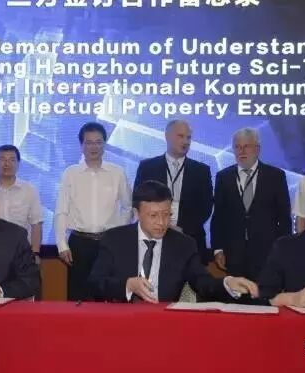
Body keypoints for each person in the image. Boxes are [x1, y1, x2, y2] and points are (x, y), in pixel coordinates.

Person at [89, 180, 258, 303]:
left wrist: (227, 283)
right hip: (122, 320)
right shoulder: (114, 239)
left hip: (164, 320)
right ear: (136, 213)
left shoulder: (183, 244)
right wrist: (128, 285)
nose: (161, 222)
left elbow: (202, 282)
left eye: (166, 215)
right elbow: (96, 283)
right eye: (153, 215)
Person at [54, 122, 132, 301]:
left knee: (108, 296)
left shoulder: (117, 172)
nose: (94, 147)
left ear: (104, 144)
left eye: (98, 142)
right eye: (88, 142)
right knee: (78, 297)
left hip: (109, 243)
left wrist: (118, 233)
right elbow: (61, 210)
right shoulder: (70, 173)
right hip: (79, 243)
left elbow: (128, 207)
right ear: (81, 145)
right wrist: (61, 244)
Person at [211, 128, 291, 280]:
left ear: (257, 149)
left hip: (267, 252)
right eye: (237, 147)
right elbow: (218, 216)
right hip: (233, 253)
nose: (241, 151)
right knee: (236, 294)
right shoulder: (223, 177)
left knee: (265, 293)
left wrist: (283, 249)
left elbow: (284, 217)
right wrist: (218, 249)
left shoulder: (275, 176)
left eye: (246, 146)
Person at [134, 120, 213, 263]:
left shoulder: (201, 171)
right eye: (180, 136)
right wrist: (162, 226)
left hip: (190, 240)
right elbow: (138, 202)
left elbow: (206, 207)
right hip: (152, 239)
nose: (186, 141)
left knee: (191, 278)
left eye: (188, 137)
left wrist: (181, 229)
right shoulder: (148, 167)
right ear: (167, 136)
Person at [0, 144, 43, 264]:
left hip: (22, 252)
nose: (7, 164)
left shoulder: (29, 190)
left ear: (18, 163)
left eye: (12, 160)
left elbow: (36, 224)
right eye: (2, 159)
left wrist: (35, 253)